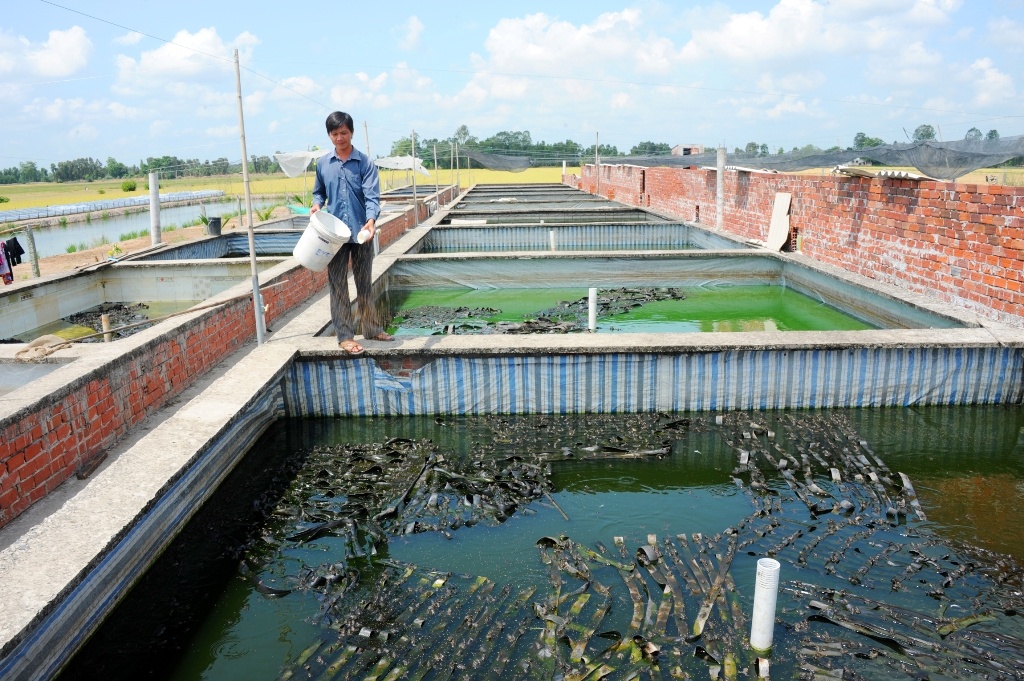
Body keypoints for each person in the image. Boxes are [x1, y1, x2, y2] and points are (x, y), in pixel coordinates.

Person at [311, 111, 393, 355]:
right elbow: (319, 192)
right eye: (335, 133)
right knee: (337, 285)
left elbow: (372, 197)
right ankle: (345, 336)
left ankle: (372, 329)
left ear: (352, 132)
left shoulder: (365, 163)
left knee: (364, 282)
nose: (340, 138)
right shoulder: (323, 164)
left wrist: (371, 221)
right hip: (334, 234)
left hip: (361, 232)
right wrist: (316, 204)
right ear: (329, 135)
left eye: (344, 133)